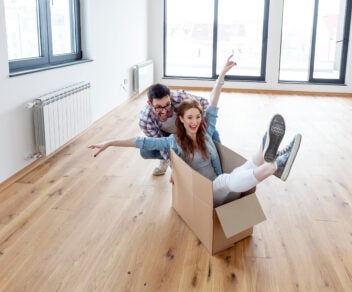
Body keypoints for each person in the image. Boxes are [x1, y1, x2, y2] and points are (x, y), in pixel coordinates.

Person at [89, 58, 302, 207]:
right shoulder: (173, 141)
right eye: (190, 118)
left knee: (238, 171)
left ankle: (268, 154)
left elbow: (213, 102)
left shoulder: (206, 133)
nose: (195, 121)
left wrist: (221, 76)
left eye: (197, 117)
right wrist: (109, 142)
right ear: (181, 119)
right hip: (206, 194)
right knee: (228, 179)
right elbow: (140, 142)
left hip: (224, 189)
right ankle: (274, 165)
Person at [139, 75, 223, 177]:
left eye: (167, 105)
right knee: (145, 151)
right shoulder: (146, 120)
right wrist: (174, 167)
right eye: (158, 108)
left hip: (192, 129)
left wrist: (201, 118)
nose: (165, 111)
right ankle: (170, 160)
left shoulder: (180, 97)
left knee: (216, 144)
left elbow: (205, 102)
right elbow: (161, 145)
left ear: (170, 97)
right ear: (149, 104)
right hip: (169, 135)